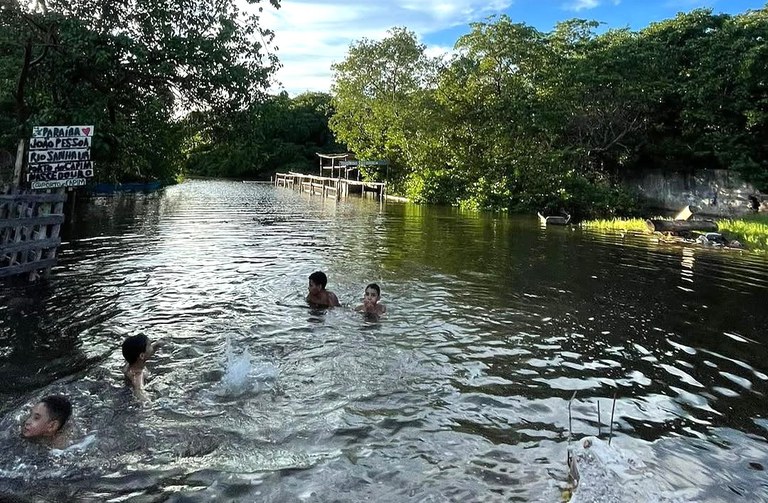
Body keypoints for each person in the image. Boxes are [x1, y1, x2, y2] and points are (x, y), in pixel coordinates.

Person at [122, 334, 157, 400]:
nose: (152, 347)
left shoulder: (129, 363)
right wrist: (149, 401)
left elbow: (146, 352)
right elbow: (139, 392)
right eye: (149, 345)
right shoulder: (138, 375)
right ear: (142, 356)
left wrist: (158, 344)